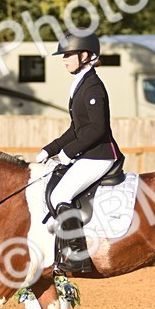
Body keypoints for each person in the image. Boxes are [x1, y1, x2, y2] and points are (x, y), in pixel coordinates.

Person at [35, 32, 122, 274]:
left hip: (101, 155)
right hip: (88, 154)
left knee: (61, 194)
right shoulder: (81, 84)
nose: (64, 59)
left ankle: (78, 255)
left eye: (68, 54)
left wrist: (68, 154)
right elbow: (76, 128)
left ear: (85, 55)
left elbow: (97, 129)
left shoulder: (93, 86)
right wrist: (49, 150)